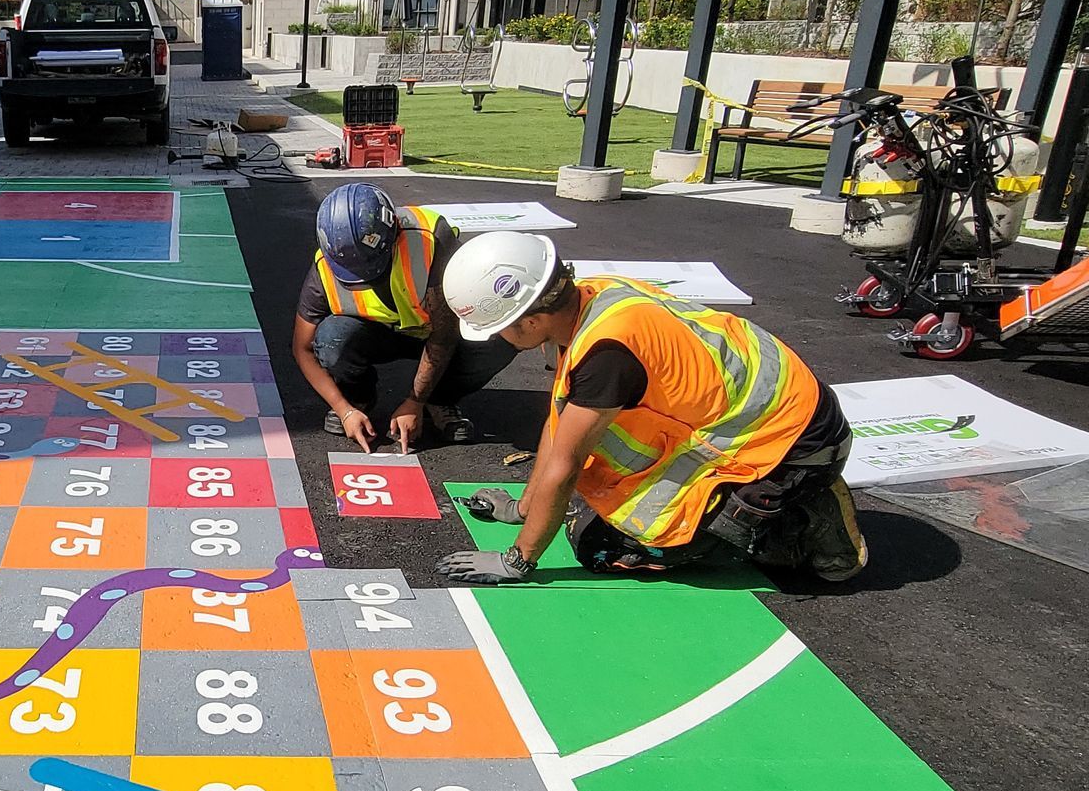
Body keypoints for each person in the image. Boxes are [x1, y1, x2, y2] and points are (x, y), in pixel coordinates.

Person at [434, 234, 868, 585]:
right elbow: (561, 421)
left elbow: (565, 465)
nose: (498, 339)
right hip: (770, 417)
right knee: (590, 511)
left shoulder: (607, 353)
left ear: (530, 321)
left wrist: (518, 560)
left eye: (498, 329)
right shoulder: (593, 298)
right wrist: (524, 509)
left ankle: (801, 522)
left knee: (597, 548)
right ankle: (772, 500)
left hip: (792, 447)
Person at [293, 183, 516, 452]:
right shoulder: (326, 265)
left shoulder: (431, 240)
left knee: (503, 336)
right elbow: (302, 348)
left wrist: (415, 401)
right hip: (379, 334)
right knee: (332, 337)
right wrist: (343, 409)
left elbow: (444, 336)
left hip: (439, 331)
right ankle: (358, 399)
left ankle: (439, 399)